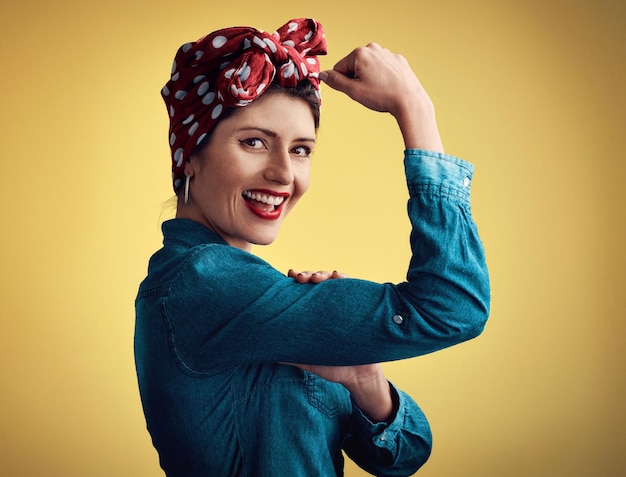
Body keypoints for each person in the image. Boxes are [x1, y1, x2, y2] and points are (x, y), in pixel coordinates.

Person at [135, 17, 490, 477]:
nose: (284, 173)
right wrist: (415, 110)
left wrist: (363, 377)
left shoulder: (258, 298)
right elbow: (454, 305)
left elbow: (405, 453)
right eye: (255, 142)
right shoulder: (200, 284)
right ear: (190, 158)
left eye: (301, 150)